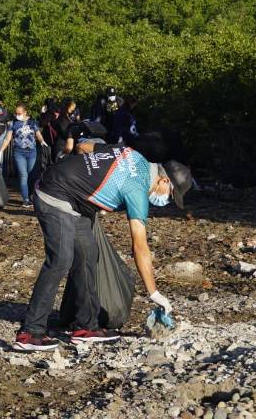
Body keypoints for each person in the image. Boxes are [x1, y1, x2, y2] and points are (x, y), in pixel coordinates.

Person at [13, 143, 192, 351]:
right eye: (169, 194)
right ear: (164, 180)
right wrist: (153, 293)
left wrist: (84, 180)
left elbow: (84, 146)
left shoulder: (132, 154)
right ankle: (30, 332)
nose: (165, 200)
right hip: (53, 194)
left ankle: (85, 327)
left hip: (75, 200)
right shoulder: (137, 188)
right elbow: (139, 246)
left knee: (88, 254)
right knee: (61, 259)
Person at [0, 103, 47, 208]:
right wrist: (1, 150)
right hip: (19, 152)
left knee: (31, 175)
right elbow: (7, 138)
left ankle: (31, 196)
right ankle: (25, 199)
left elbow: (38, 133)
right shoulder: (13, 124)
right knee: (23, 175)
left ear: (25, 112)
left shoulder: (32, 122)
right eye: (16, 113)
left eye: (19, 113)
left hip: (32, 152)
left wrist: (42, 141)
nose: (17, 115)